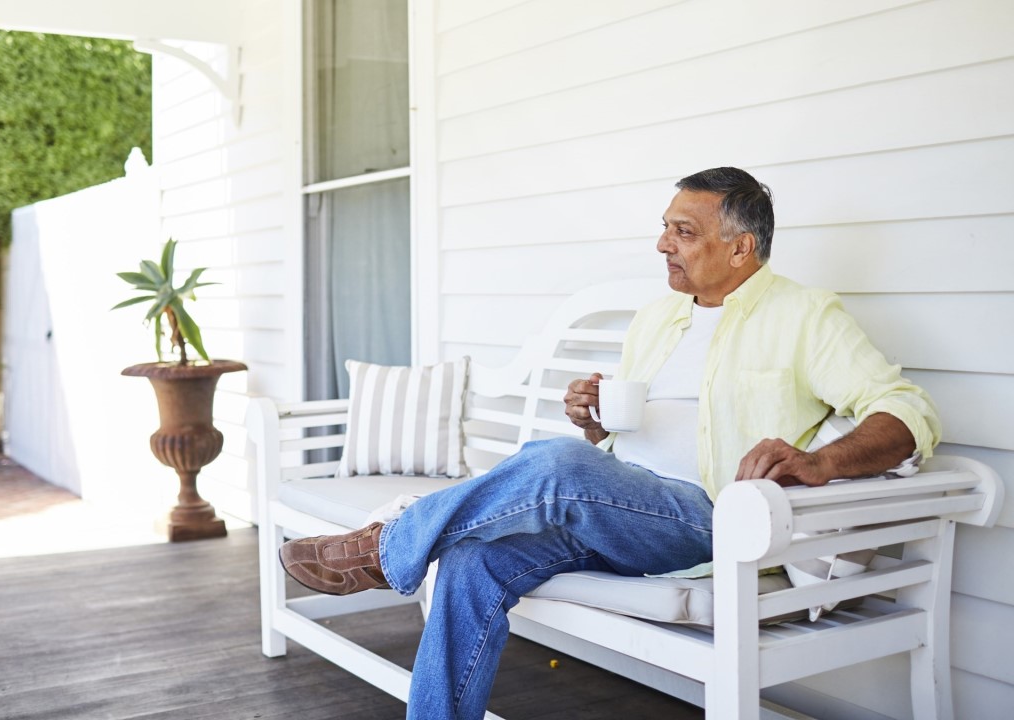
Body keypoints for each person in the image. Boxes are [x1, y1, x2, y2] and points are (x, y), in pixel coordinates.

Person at [278, 167, 941, 720]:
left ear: (741, 248)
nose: (663, 245)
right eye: (664, 227)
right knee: (472, 562)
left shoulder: (803, 315)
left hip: (710, 524)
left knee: (560, 465)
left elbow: (908, 412)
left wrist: (820, 461)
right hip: (617, 514)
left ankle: (384, 546)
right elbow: (627, 441)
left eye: (684, 232)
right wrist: (596, 426)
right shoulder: (657, 318)